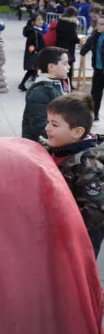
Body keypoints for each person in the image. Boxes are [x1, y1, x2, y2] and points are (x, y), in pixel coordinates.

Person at [45, 93, 104, 256]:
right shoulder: (58, 148)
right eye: (47, 122)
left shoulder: (88, 165)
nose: (47, 128)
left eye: (54, 125)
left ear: (77, 132)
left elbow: (95, 213)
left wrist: (62, 228)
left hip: (78, 244)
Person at [21, 47, 70, 142]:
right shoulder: (40, 91)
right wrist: (67, 135)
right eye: (65, 63)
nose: (69, 66)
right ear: (51, 67)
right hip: (40, 146)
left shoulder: (58, 83)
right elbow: (39, 127)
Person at [80, 16, 104, 122]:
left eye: (102, 24)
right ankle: (95, 115)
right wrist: (83, 52)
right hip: (98, 69)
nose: (99, 26)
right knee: (95, 93)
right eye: (98, 23)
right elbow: (88, 45)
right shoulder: (95, 34)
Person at [19, 12, 47, 91]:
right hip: (34, 54)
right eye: (38, 20)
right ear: (33, 22)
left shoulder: (37, 30)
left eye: (42, 20)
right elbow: (30, 44)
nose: (41, 21)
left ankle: (23, 85)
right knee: (32, 70)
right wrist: (34, 50)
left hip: (37, 53)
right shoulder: (33, 32)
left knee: (33, 71)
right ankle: (26, 86)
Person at [55, 6, 81, 90]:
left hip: (59, 46)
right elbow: (73, 37)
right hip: (69, 48)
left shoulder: (60, 21)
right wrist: (80, 40)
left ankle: (61, 83)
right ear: (73, 15)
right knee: (68, 67)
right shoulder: (72, 24)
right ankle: (68, 84)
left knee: (60, 65)